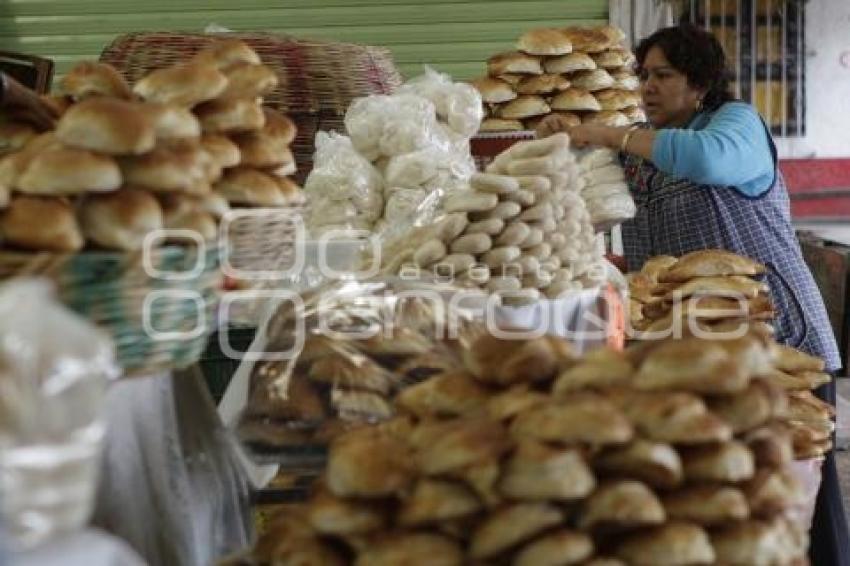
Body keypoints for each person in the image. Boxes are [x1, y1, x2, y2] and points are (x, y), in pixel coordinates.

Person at [538, 23, 848, 565]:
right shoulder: (637, 151)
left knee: (795, 499)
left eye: (664, 75)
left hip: (779, 338)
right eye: (643, 76)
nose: (648, 87)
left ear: (700, 82)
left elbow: (706, 160)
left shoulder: (735, 125)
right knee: (725, 502)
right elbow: (598, 198)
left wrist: (607, 133)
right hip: (698, 348)